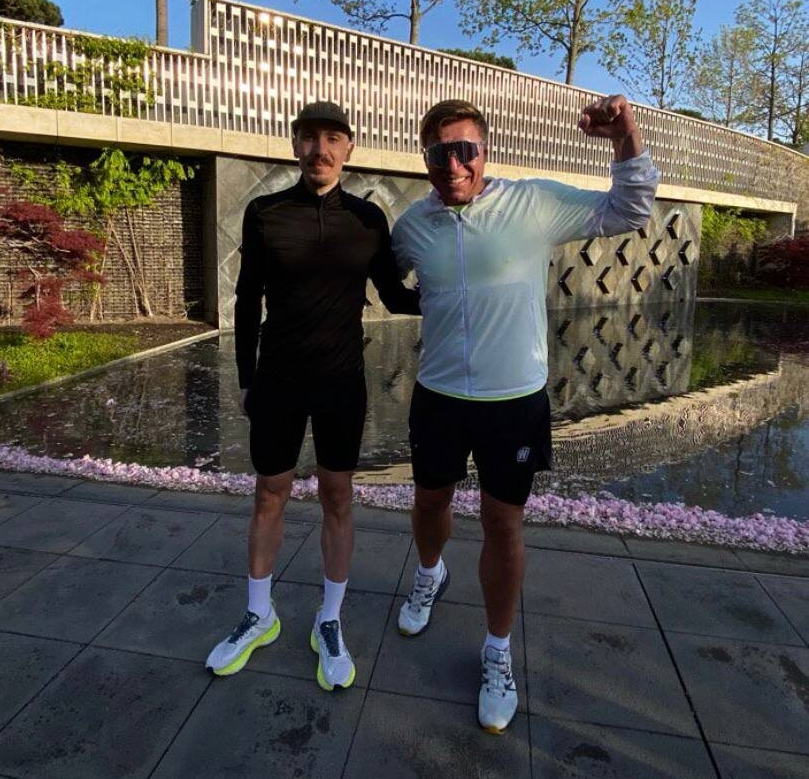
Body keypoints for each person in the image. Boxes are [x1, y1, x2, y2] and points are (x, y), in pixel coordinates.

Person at [391, 94, 659, 733]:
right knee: (429, 502)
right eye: (439, 153)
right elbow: (384, 277)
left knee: (502, 523)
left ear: (485, 151)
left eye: (465, 150)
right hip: (439, 395)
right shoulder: (412, 227)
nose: (453, 164)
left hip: (513, 400)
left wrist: (625, 135)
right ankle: (430, 574)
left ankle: (496, 650)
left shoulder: (531, 203)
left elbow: (629, 208)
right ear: (425, 159)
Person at [206, 101, 420, 690]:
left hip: (341, 382)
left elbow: (394, 296)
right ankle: (260, 614)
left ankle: (329, 619)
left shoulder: (368, 219)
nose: (320, 150)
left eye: (332, 138)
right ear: (294, 144)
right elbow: (247, 300)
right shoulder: (266, 212)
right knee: (269, 492)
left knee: (338, 496)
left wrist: (456, 296)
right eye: (309, 138)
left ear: (349, 147)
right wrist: (245, 378)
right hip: (277, 380)